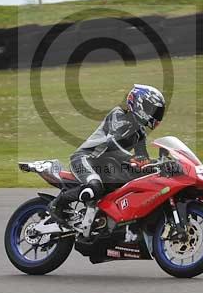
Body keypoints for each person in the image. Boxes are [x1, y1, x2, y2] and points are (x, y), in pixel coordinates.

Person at [48, 84, 166, 225]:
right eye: (152, 110)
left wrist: (159, 163)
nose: (155, 115)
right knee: (95, 187)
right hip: (85, 158)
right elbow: (112, 144)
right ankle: (58, 204)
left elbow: (142, 159)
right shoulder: (118, 115)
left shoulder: (139, 133)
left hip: (104, 165)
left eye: (158, 112)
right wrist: (132, 159)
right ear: (140, 104)